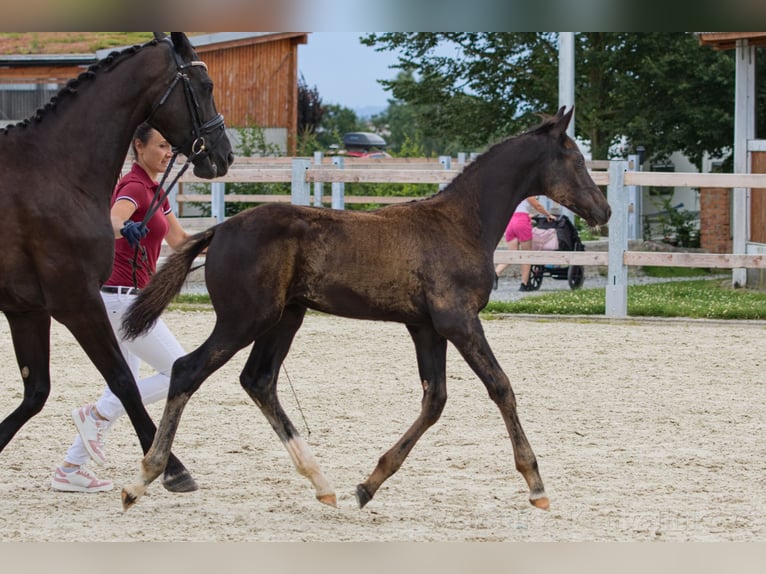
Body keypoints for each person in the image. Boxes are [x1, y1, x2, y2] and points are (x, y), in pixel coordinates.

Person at [51, 123, 192, 493]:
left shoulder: (156, 190)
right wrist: (122, 228)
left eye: (169, 147)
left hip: (133, 298)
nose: (167, 153)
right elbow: (112, 220)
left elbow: (179, 241)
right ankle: (96, 415)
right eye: (160, 146)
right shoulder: (133, 186)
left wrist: (227, 243)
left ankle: (70, 468)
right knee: (180, 370)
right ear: (139, 147)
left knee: (122, 383)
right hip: (122, 298)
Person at [494, 196, 556, 292]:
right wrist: (548, 215)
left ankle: (496, 273)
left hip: (509, 221)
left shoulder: (510, 192)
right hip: (521, 222)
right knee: (526, 254)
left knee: (512, 254)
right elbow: (537, 205)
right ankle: (524, 284)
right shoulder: (525, 191)